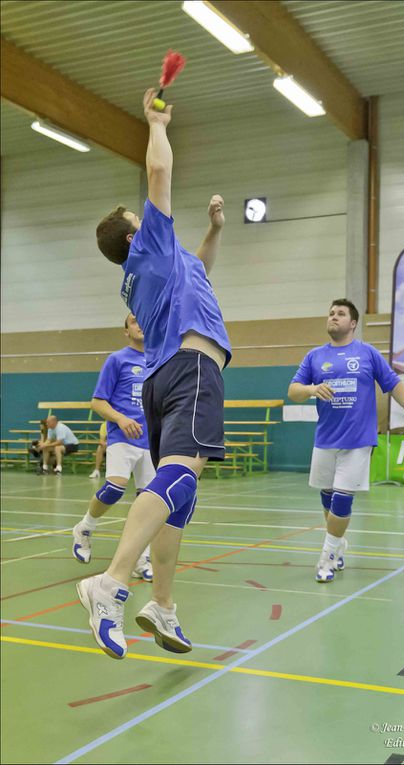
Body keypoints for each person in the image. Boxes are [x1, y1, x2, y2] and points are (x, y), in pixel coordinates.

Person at [76, 87, 231, 661]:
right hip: (192, 367)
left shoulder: (152, 268)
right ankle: (111, 583)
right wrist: (156, 124)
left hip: (163, 378)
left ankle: (162, 605)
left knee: (177, 494)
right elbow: (158, 169)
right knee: (180, 479)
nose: (148, 214)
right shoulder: (148, 246)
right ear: (133, 234)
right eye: (139, 217)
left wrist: (213, 230)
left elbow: (200, 272)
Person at [288, 299, 404, 583]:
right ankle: (339, 544)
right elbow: (293, 391)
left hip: (358, 440)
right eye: (331, 313)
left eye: (340, 314)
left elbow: (393, 383)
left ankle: (327, 558)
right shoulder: (315, 356)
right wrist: (312, 389)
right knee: (327, 498)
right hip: (325, 439)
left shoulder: (367, 353)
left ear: (353, 323)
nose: (334, 317)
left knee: (342, 500)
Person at [72, 313, 154, 583]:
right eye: (133, 320)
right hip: (122, 436)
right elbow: (97, 402)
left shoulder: (159, 360)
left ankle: (141, 559)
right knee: (115, 488)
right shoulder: (117, 360)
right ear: (126, 331)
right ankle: (85, 527)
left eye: (143, 318)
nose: (139, 323)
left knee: (149, 505)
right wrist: (120, 418)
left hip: (151, 441)